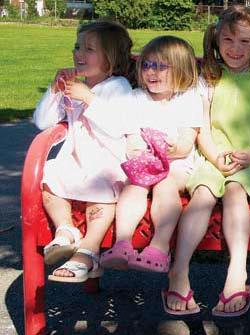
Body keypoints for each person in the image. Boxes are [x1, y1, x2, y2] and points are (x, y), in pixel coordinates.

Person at [164, 6, 250, 316]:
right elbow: (201, 127)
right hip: (212, 155)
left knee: (234, 191)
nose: (235, 48)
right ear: (216, 40)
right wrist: (215, 157)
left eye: (244, 41)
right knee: (202, 194)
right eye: (227, 40)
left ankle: (237, 274)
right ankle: (179, 270)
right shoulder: (210, 78)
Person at [34, 21, 133, 283]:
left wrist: (89, 99)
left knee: (102, 190)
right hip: (76, 159)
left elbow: (119, 127)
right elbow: (44, 122)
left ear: (110, 59)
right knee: (50, 176)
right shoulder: (75, 86)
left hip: (107, 163)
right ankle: (65, 230)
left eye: (89, 49)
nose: (79, 54)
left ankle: (89, 251)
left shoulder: (118, 86)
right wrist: (54, 91)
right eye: (77, 47)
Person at [99, 36, 202, 275]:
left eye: (160, 66)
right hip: (145, 162)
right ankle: (123, 243)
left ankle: (159, 246)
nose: (151, 72)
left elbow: (187, 143)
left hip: (177, 165)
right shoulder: (135, 99)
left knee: (164, 185)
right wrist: (140, 150)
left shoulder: (188, 100)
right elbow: (132, 139)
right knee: (134, 185)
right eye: (146, 65)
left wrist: (171, 148)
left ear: (182, 71)